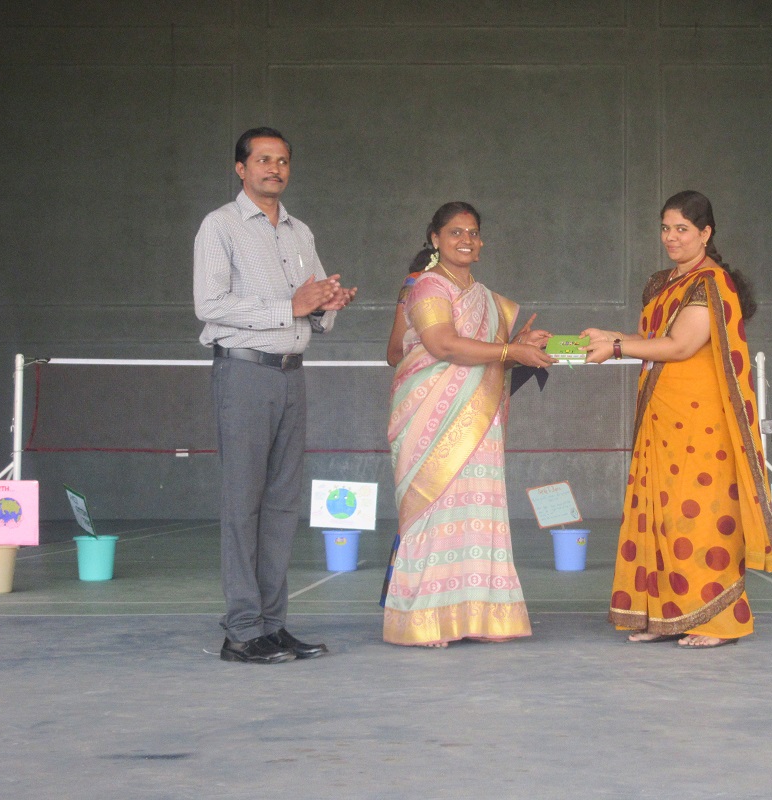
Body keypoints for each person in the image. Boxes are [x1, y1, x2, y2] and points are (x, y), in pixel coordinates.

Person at [581, 190, 772, 649]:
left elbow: (681, 345)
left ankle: (718, 622)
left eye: (682, 229)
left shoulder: (711, 283)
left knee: (700, 515)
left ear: (705, 233)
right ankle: (666, 616)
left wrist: (616, 347)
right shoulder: (662, 282)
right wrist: (612, 335)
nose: (671, 237)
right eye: (666, 228)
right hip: (661, 414)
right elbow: (655, 337)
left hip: (701, 421)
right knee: (660, 515)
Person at [194, 127, 357, 664]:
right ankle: (242, 631)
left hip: (291, 374)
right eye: (263, 159)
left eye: (283, 160)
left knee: (283, 504)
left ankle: (272, 624)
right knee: (243, 503)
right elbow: (209, 304)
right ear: (241, 168)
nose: (275, 168)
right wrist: (292, 305)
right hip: (244, 374)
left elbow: (313, 307)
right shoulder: (219, 226)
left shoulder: (299, 231)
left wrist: (329, 302)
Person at [384, 202, 553, 647]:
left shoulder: (487, 298)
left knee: (479, 513)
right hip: (428, 418)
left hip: (479, 419)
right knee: (434, 511)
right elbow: (443, 345)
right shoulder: (427, 286)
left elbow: (488, 355)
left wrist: (519, 346)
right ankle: (424, 619)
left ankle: (482, 616)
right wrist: (510, 351)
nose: (466, 240)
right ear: (435, 239)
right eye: (455, 232)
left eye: (473, 232)